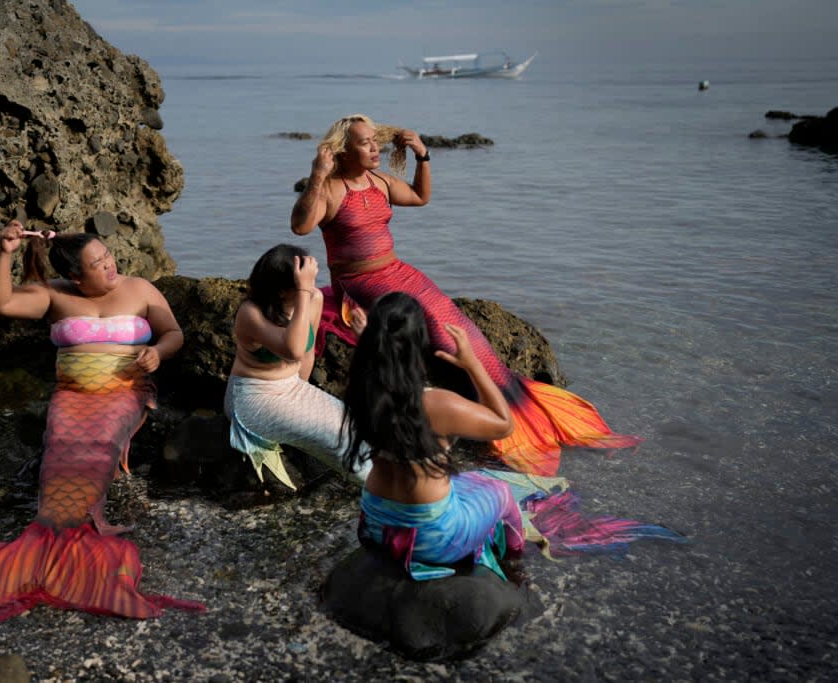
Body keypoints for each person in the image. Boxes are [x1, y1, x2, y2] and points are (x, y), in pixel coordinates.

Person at [0, 221, 204, 657]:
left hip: (122, 393)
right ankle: (50, 546)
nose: (109, 265)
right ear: (76, 276)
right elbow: (0, 302)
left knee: (97, 450)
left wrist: (158, 352)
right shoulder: (54, 293)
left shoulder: (141, 288)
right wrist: (5, 252)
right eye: (97, 264)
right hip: (72, 399)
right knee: (59, 464)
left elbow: (175, 334)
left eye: (108, 255)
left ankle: (76, 546)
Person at [292, 113, 641, 477]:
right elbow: (300, 226)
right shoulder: (331, 188)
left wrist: (423, 156)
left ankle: (517, 402)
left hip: (398, 270)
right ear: (343, 151)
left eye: (375, 140)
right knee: (440, 338)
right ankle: (495, 424)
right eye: (365, 143)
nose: (375, 148)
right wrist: (317, 174)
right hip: (361, 281)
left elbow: (419, 196)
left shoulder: (378, 181)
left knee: (464, 332)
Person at [342, 293, 684, 580]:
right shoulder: (437, 404)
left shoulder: (363, 392)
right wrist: (472, 364)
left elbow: (374, 367)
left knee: (470, 478)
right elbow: (503, 425)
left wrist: (366, 343)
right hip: (432, 540)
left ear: (374, 345)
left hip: (374, 524)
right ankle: (513, 570)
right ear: (419, 345)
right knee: (503, 492)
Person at [225, 243, 369, 490]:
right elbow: (293, 349)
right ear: (281, 291)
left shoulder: (313, 298)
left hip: (292, 387)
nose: (312, 287)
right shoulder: (251, 313)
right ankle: (390, 494)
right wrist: (303, 293)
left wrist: (305, 399)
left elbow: (306, 356)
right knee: (344, 448)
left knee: (360, 430)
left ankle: (402, 480)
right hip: (254, 397)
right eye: (304, 283)